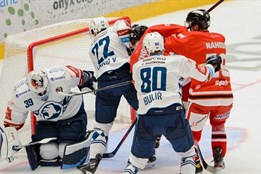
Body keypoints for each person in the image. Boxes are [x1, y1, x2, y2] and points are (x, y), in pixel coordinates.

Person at [130, 9, 234, 173]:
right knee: (219, 126)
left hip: (202, 94)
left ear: (195, 24)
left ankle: (194, 164)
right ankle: (219, 162)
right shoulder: (220, 38)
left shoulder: (189, 38)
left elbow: (164, 43)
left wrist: (176, 31)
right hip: (226, 93)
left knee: (191, 135)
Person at [0, 65, 96, 170]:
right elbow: (12, 123)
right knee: (48, 153)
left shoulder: (62, 75)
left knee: (65, 151)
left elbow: (85, 76)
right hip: (46, 121)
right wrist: (9, 140)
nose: (42, 94)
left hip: (72, 115)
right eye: (38, 93)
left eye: (44, 90)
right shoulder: (20, 95)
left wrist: (93, 83)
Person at [77, 17, 139, 174]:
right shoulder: (115, 28)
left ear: (93, 31)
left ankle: (92, 161)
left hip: (105, 84)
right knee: (146, 113)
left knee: (101, 125)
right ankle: (147, 153)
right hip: (125, 77)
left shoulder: (91, 48)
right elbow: (128, 36)